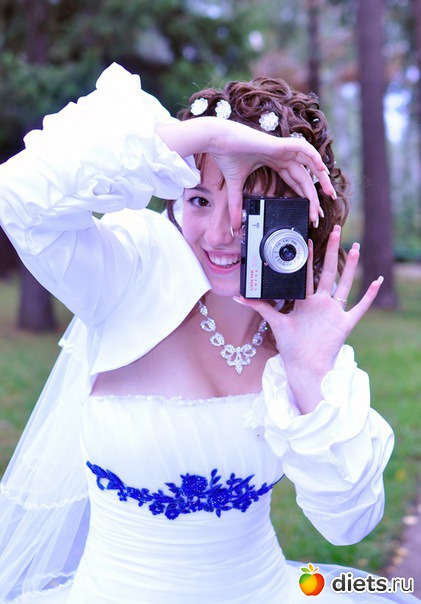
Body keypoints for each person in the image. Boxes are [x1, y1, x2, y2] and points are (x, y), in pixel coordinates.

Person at [0, 63, 417, 603]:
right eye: (200, 199)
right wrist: (213, 138)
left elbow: (349, 523)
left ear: (300, 217)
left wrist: (309, 376)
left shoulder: (307, 334)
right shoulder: (129, 272)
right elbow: (17, 198)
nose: (222, 233)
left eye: (252, 208)